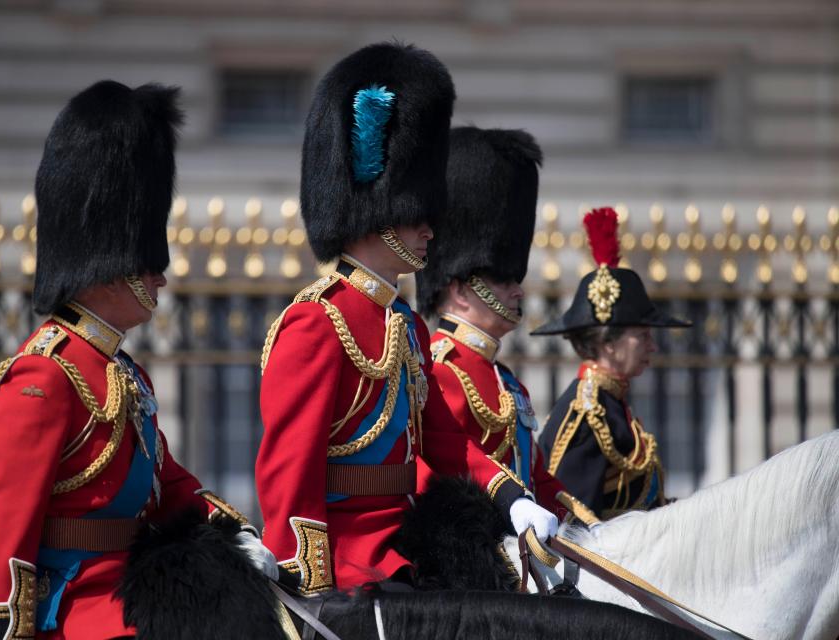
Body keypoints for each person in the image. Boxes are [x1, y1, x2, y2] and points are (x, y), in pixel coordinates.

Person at [0, 81, 275, 640]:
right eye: (147, 262)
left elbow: (170, 486)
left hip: (132, 594)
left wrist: (233, 531)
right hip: (66, 609)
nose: (161, 276)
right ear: (107, 262)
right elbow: (5, 535)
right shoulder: (44, 377)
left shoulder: (123, 373)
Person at [256, 43, 557, 595]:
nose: (430, 231)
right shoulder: (316, 321)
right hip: (347, 565)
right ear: (380, 211)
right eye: (418, 214)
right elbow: (289, 465)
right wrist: (308, 574)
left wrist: (510, 498)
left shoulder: (405, 325)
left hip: (406, 551)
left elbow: (445, 441)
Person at [415, 126, 566, 522]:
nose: (518, 292)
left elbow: (537, 478)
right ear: (461, 290)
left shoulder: (506, 380)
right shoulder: (440, 371)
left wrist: (588, 526)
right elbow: (446, 461)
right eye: (503, 280)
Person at [532, 207, 691, 519]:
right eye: (642, 335)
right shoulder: (587, 415)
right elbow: (573, 526)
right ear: (608, 342)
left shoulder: (610, 404)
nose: (652, 345)